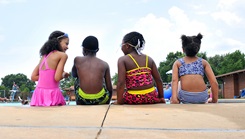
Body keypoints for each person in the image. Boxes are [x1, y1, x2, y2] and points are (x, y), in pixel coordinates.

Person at [115, 31, 165, 104]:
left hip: (133, 98)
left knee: (125, 98)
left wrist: (119, 101)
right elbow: (158, 80)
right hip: (151, 97)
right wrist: (161, 98)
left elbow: (121, 83)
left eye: (121, 45)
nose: (121, 47)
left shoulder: (122, 60)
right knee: (153, 95)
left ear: (127, 46)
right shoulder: (149, 59)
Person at [171, 33, 218, 104]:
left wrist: (174, 99)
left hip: (185, 97)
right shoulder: (203, 62)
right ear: (198, 49)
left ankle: (175, 99)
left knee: (179, 83)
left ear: (183, 49)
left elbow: (174, 81)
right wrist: (214, 100)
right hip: (202, 97)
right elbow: (214, 82)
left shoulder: (178, 63)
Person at [30, 31, 70, 106]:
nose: (67, 47)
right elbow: (57, 77)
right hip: (52, 94)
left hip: (39, 94)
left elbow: (33, 77)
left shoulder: (44, 56)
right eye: (66, 43)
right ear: (58, 42)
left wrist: (47, 77)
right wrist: (64, 75)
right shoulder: (63, 55)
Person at [72, 36, 112, 105]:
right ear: (98, 50)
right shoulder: (105, 64)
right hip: (101, 99)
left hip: (83, 99)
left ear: (83, 49)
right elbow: (110, 88)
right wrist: (107, 102)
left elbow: (74, 74)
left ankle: (78, 103)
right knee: (103, 80)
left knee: (77, 80)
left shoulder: (77, 60)